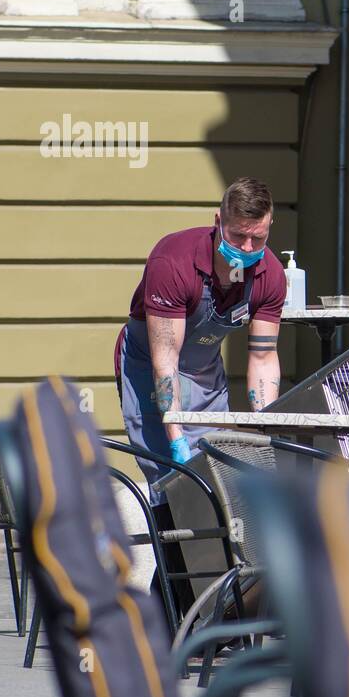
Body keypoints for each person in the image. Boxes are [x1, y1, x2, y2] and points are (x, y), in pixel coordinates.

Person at [115, 177, 286, 506]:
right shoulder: (172, 263)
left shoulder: (271, 275)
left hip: (206, 374)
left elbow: (263, 359)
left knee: (220, 479)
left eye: (258, 238)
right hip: (151, 370)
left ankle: (223, 558)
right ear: (219, 222)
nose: (247, 249)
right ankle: (171, 556)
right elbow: (165, 362)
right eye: (238, 237)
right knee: (170, 481)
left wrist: (266, 432)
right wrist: (177, 442)